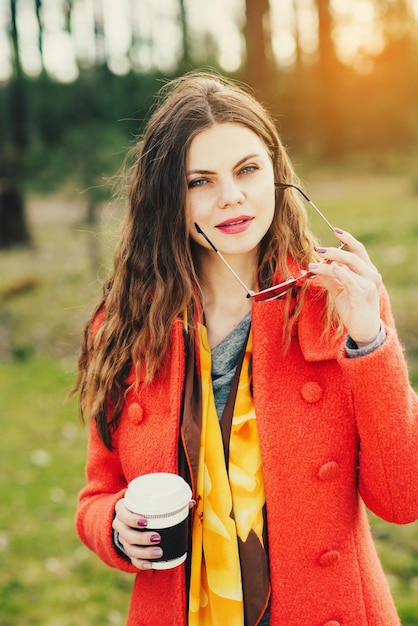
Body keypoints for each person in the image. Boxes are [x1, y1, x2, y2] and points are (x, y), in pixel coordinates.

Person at [72, 71, 418, 626]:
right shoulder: (126, 325)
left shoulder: (336, 300)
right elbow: (97, 495)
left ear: (276, 175)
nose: (231, 197)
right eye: (199, 181)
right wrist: (115, 527)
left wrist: (368, 340)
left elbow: (403, 500)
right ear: (169, 197)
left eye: (247, 170)